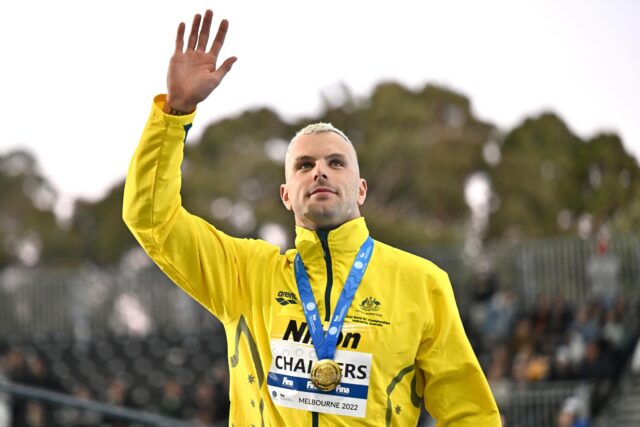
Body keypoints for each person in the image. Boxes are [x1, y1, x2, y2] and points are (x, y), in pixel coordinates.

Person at [123, 9, 500, 426]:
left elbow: (468, 412)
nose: (319, 171)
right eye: (304, 165)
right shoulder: (245, 275)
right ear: (286, 195)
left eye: (336, 163)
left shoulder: (422, 283)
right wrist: (175, 111)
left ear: (361, 189)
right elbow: (150, 218)